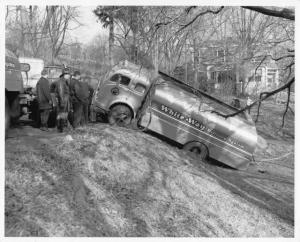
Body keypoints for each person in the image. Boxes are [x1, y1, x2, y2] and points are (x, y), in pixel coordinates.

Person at [55, 68, 72, 132]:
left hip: (64, 100)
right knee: (62, 114)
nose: (69, 76)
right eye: (69, 74)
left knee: (62, 114)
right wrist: (62, 102)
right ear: (65, 74)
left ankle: (60, 127)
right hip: (63, 101)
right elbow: (61, 92)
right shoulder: (61, 81)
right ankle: (60, 128)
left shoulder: (64, 81)